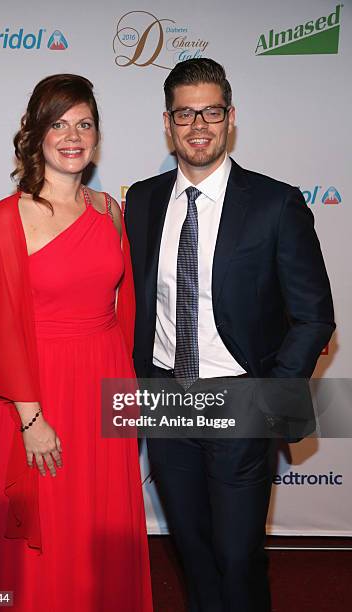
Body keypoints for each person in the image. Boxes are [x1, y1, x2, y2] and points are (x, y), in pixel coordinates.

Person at [124, 58, 335, 612]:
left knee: (238, 556)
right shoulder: (141, 201)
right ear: (167, 123)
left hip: (242, 399)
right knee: (191, 551)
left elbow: (315, 315)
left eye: (211, 111)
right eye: (185, 113)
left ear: (230, 117)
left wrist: (268, 399)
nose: (199, 124)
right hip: (168, 398)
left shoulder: (275, 203)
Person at [0, 74, 153, 612]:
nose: (73, 136)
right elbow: (0, 326)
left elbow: (124, 315)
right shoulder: (8, 218)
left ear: (97, 135)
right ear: (36, 134)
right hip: (40, 395)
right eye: (59, 124)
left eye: (84, 124)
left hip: (104, 389)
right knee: (50, 535)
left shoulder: (109, 211)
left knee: (105, 523)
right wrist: (30, 417)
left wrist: (128, 397)